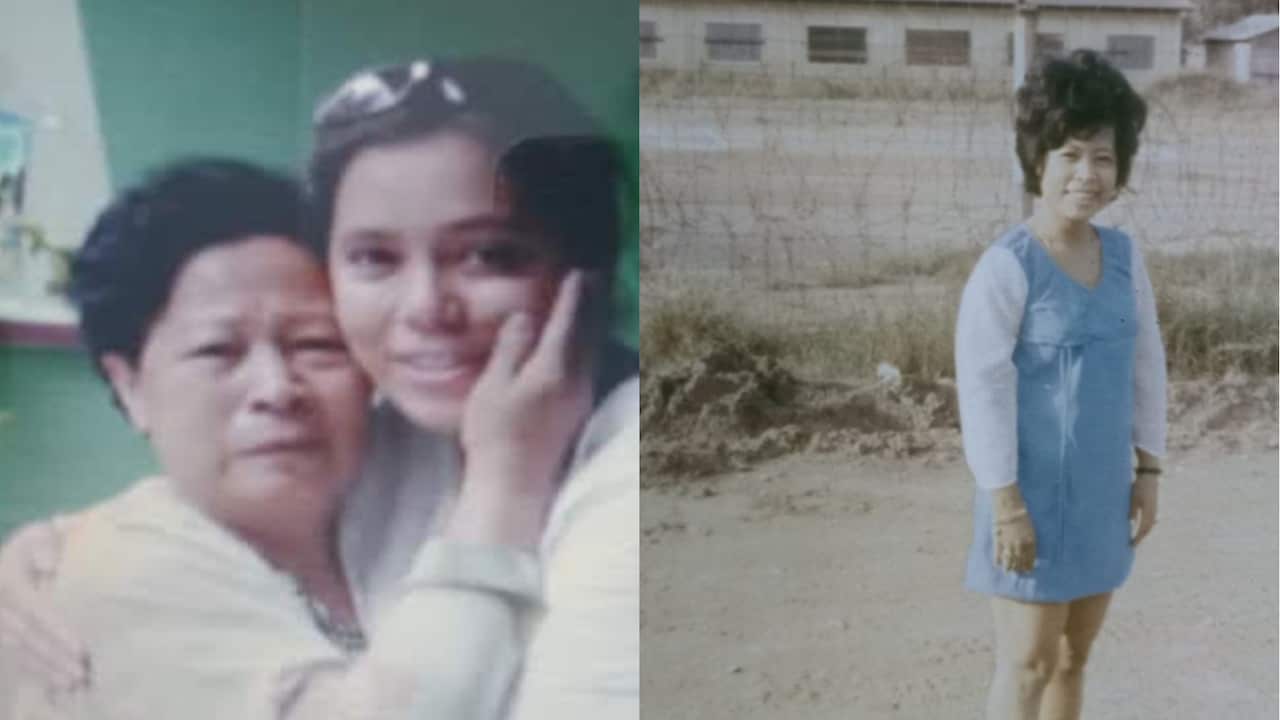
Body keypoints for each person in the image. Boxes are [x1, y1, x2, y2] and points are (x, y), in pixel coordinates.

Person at [0, 57, 639, 717]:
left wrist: (506, 478)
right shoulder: (402, 444)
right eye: (373, 258)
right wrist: (57, 553)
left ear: (586, 264)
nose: (424, 306)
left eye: (490, 254)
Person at [954, 50, 1166, 720]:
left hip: (1103, 491)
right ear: (1037, 162)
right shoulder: (1006, 268)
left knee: (1074, 660)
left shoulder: (1127, 260)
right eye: (1071, 154)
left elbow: (1146, 365)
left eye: (1104, 157)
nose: (1088, 174)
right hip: (1030, 497)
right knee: (1027, 665)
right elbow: (982, 391)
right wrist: (1007, 505)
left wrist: (1149, 470)